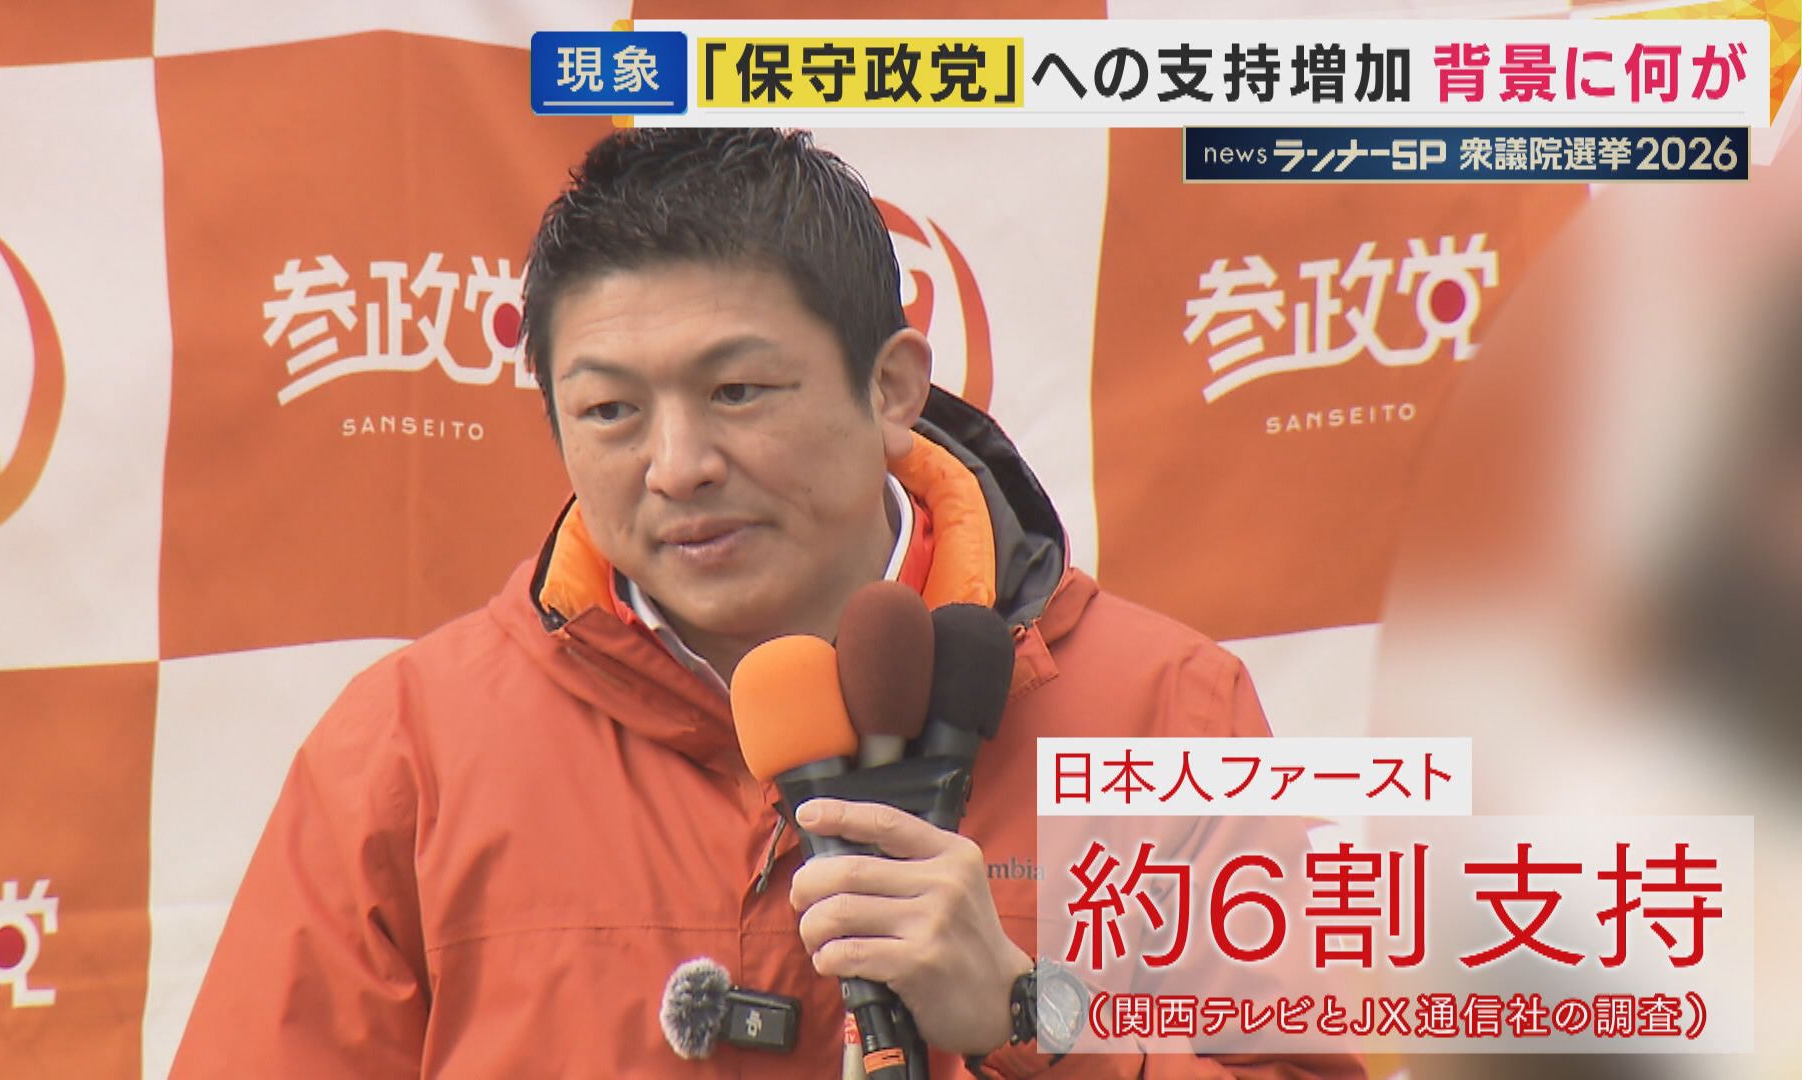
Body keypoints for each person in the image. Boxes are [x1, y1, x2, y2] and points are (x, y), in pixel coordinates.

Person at [172, 128, 1362, 1079]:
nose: (678, 465)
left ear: (891, 388)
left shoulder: (1163, 706)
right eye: (610, 411)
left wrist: (1031, 1017)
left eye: (738, 390)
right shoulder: (407, 746)